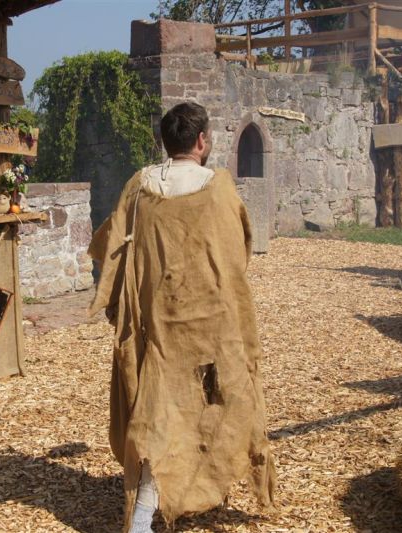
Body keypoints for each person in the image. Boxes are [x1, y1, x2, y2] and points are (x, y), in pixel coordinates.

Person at [88, 102, 276, 532]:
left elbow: (111, 247)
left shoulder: (140, 186)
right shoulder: (219, 187)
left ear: (165, 141)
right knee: (210, 403)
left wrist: (121, 303)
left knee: (156, 412)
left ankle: (180, 494)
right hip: (210, 327)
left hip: (154, 326)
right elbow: (237, 254)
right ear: (202, 141)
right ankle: (148, 514)